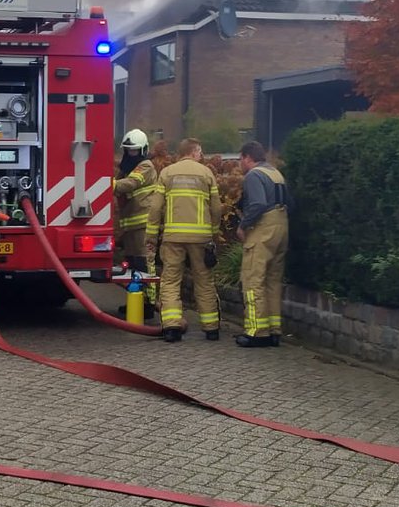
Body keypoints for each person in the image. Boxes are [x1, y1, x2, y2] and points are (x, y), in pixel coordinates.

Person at [150, 137, 222, 343]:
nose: (201, 155)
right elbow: (216, 208)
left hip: (173, 237)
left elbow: (155, 208)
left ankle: (172, 327)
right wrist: (213, 232)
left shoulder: (166, 173)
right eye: (200, 152)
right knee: (204, 281)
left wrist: (151, 236)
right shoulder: (206, 173)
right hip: (201, 237)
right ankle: (211, 328)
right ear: (194, 151)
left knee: (171, 280)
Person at [234, 140, 291, 348]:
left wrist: (243, 225)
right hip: (281, 227)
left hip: (264, 229)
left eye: (241, 159)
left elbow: (257, 204)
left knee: (253, 278)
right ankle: (274, 330)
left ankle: (256, 331)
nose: (240, 164)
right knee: (272, 280)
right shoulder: (276, 173)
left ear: (248, 158)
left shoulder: (254, 175)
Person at [113, 128, 162, 320]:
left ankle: (148, 305)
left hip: (144, 224)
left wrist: (107, 184)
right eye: (127, 150)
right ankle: (135, 300)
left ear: (142, 150)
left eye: (133, 150)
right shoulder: (127, 168)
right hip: (132, 226)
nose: (130, 154)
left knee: (144, 265)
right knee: (132, 266)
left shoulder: (145, 166)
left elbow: (130, 184)